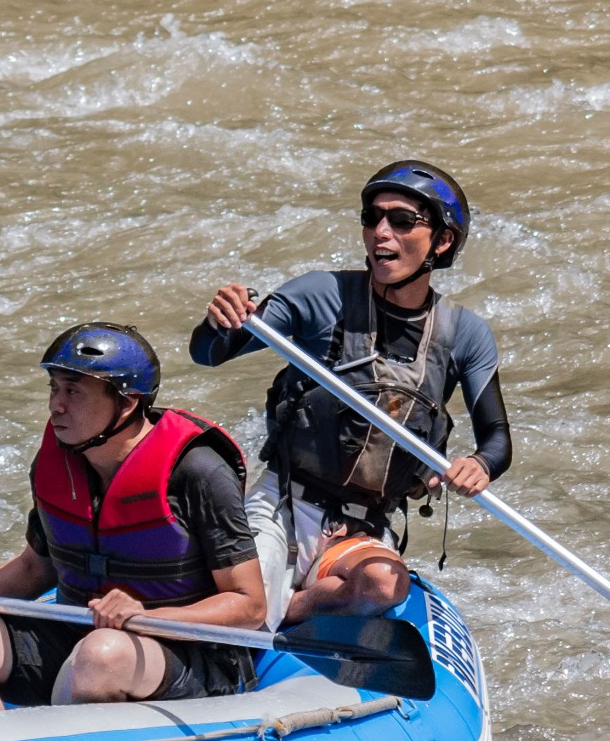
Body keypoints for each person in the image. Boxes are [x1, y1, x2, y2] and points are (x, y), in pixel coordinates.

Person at [192, 161, 510, 626]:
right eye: (372, 217)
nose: (381, 232)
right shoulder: (320, 295)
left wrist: (478, 465)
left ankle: (293, 608)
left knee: (384, 584)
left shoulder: (465, 334)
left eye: (402, 221)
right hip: (283, 501)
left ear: (442, 242)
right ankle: (264, 605)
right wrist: (220, 320)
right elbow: (208, 353)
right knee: (242, 611)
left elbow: (497, 439)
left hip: (362, 524)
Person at [0, 325, 268, 714]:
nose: (56, 405)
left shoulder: (199, 472)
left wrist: (149, 617)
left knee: (100, 653)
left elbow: (249, 606)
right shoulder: (56, 464)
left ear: (127, 403)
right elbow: (32, 570)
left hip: (186, 655)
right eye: (53, 389)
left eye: (73, 391)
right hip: (78, 639)